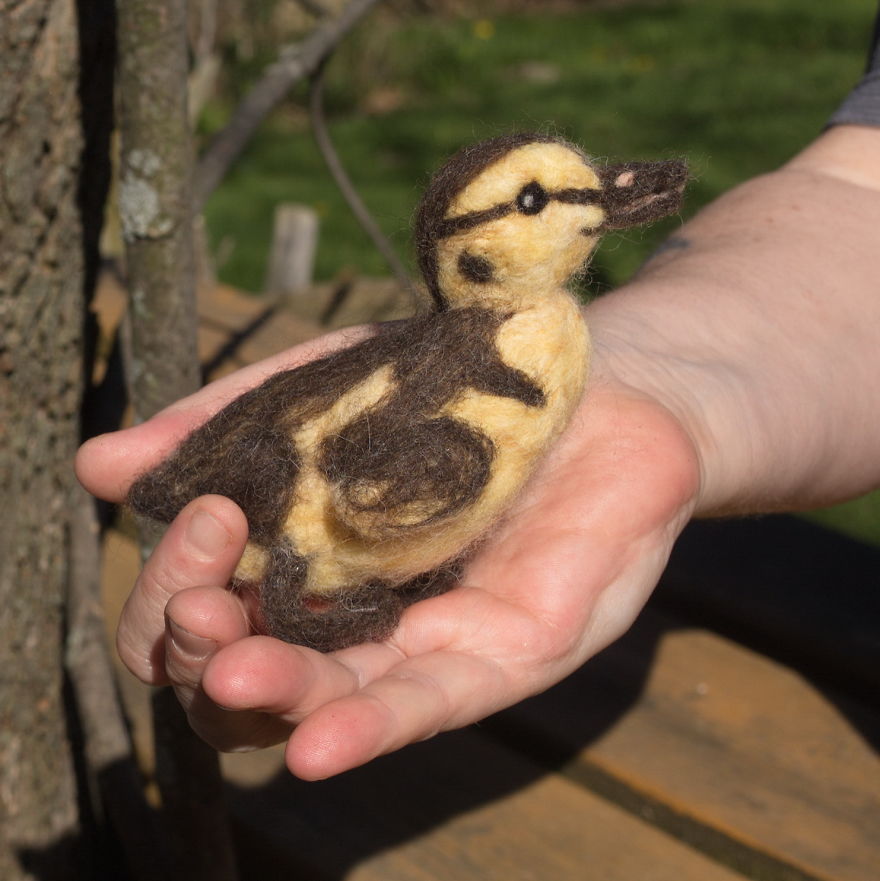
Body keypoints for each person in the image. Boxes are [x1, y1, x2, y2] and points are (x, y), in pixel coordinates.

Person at [76, 21, 880, 780]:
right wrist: (663, 390)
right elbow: (859, 195)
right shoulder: (478, 389)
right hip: (277, 512)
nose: (582, 204)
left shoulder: (520, 358)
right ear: (479, 262)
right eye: (536, 201)